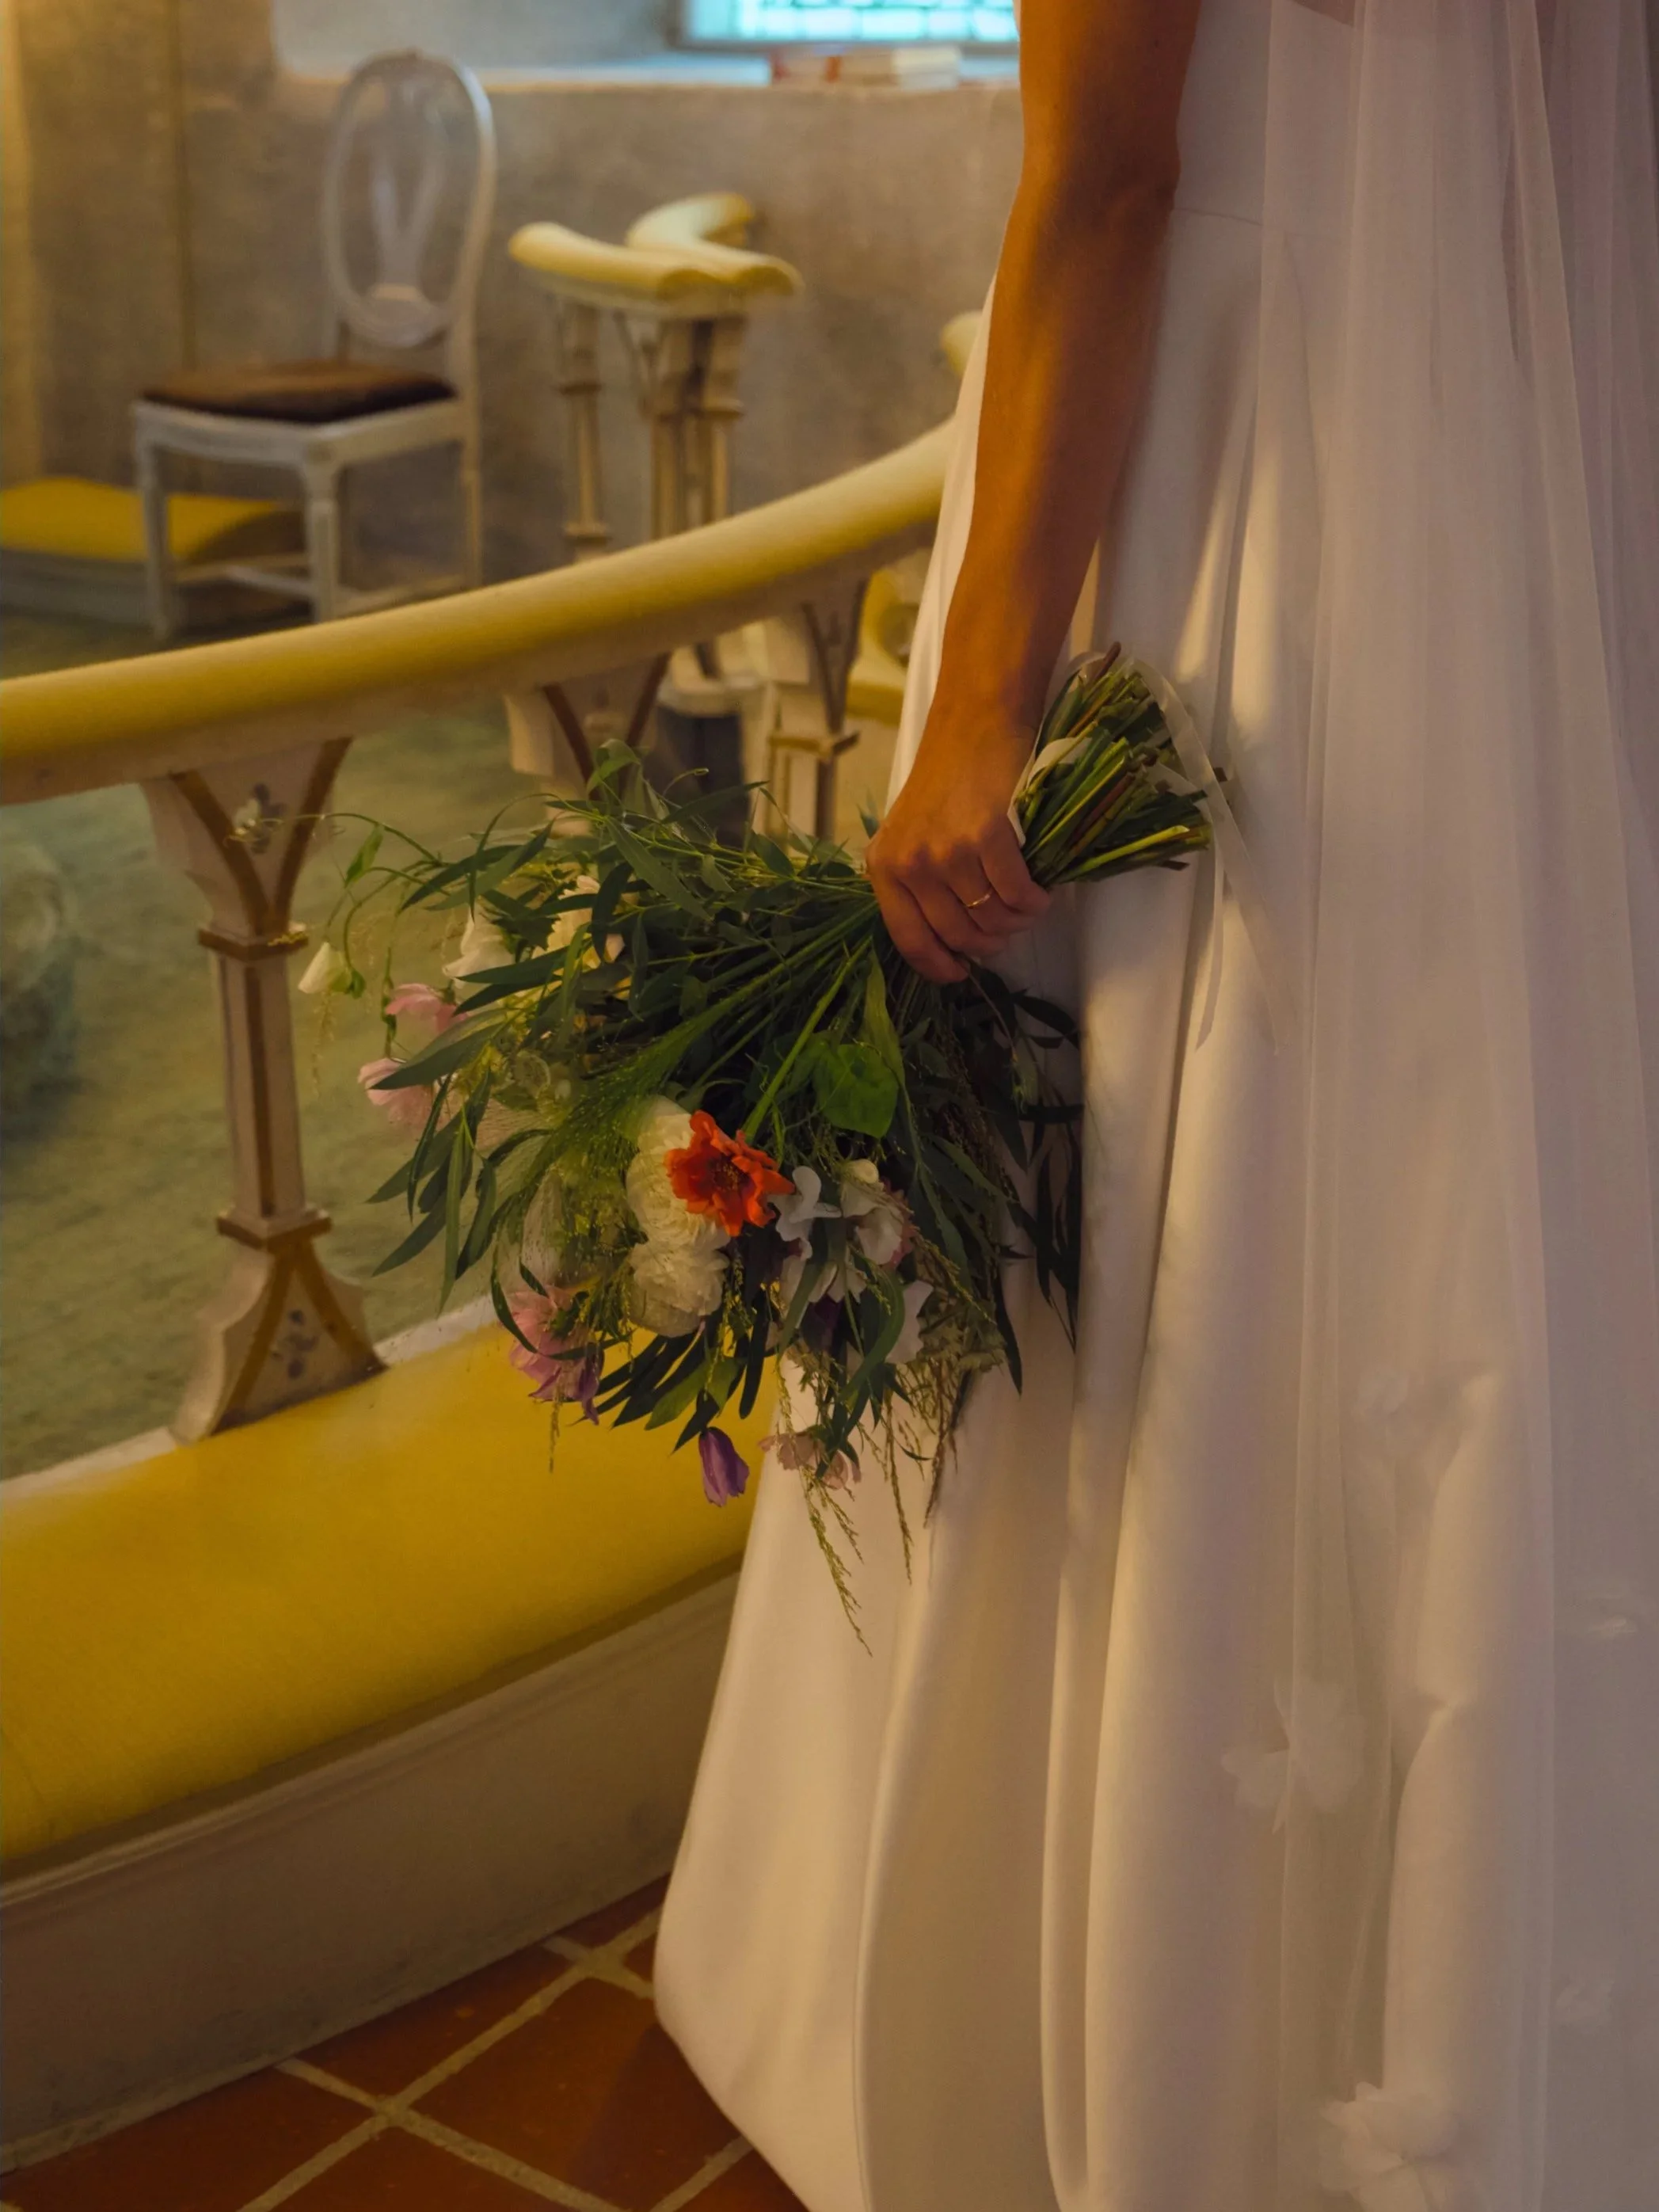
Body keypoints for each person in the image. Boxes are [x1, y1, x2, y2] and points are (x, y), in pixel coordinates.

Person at [657, 2, 1659, 2206]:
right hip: (1520, 498)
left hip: (1239, 510)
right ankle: (1477, 1967)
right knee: (1461, 1198)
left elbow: (1106, 178)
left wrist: (975, 708)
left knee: (1173, 1223)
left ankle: (1149, 2025)